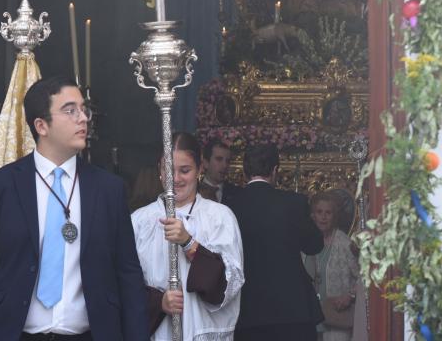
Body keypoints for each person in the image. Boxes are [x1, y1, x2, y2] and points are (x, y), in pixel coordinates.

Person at [0, 76, 149, 341]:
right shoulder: (1, 185)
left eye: (83, 109)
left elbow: (127, 273)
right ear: (41, 125)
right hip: (13, 334)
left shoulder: (108, 189)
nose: (83, 118)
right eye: (70, 110)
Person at [132, 132, 244, 340]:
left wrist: (188, 243)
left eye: (185, 171)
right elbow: (125, 284)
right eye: (168, 170)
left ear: (200, 169)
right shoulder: (139, 221)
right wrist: (159, 302)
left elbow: (230, 283)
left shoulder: (219, 217)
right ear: (159, 170)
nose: (175, 179)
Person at [230, 144, 324, 341]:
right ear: (275, 171)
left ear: (245, 171)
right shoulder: (294, 203)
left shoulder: (230, 205)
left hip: (247, 311)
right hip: (293, 310)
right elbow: (314, 245)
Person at [303, 192, 359, 341]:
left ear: (335, 216)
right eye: (319, 212)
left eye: (328, 213)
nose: (323, 217)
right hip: (308, 319)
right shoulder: (303, 243)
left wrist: (349, 296)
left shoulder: (344, 243)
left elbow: (363, 277)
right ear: (312, 215)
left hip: (336, 319)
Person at [199, 139, 242, 207]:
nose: (225, 165)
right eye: (219, 159)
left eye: (227, 161)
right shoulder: (193, 192)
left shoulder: (238, 194)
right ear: (206, 163)